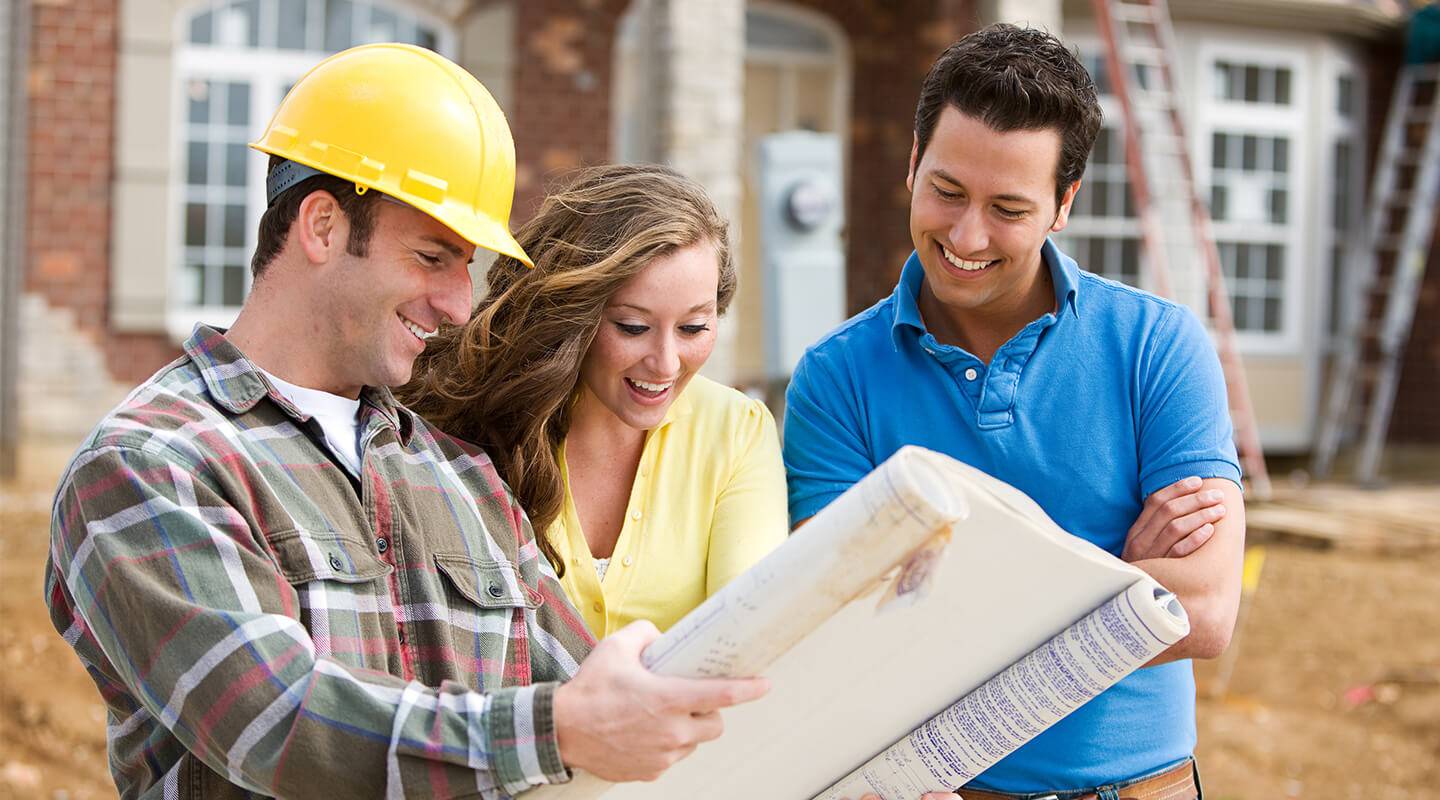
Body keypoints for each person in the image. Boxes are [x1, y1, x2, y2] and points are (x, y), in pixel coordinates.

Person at [44, 44, 765, 800]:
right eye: (432, 257)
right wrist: (556, 732)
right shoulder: (151, 464)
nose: (459, 303)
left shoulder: (461, 478)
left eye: (466, 267)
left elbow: (602, 698)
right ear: (322, 226)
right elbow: (278, 724)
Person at [785, 24, 1244, 800]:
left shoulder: (1158, 347)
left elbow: (1199, 610)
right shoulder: (835, 379)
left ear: (1064, 204)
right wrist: (1115, 577)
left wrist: (951, 606)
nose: (966, 235)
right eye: (947, 191)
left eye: (1007, 207)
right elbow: (840, 628)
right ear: (912, 166)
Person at [402, 164, 787, 639]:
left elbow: (751, 632)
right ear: (571, 316)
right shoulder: (469, 423)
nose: (666, 364)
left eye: (693, 328)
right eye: (632, 327)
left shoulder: (737, 430)